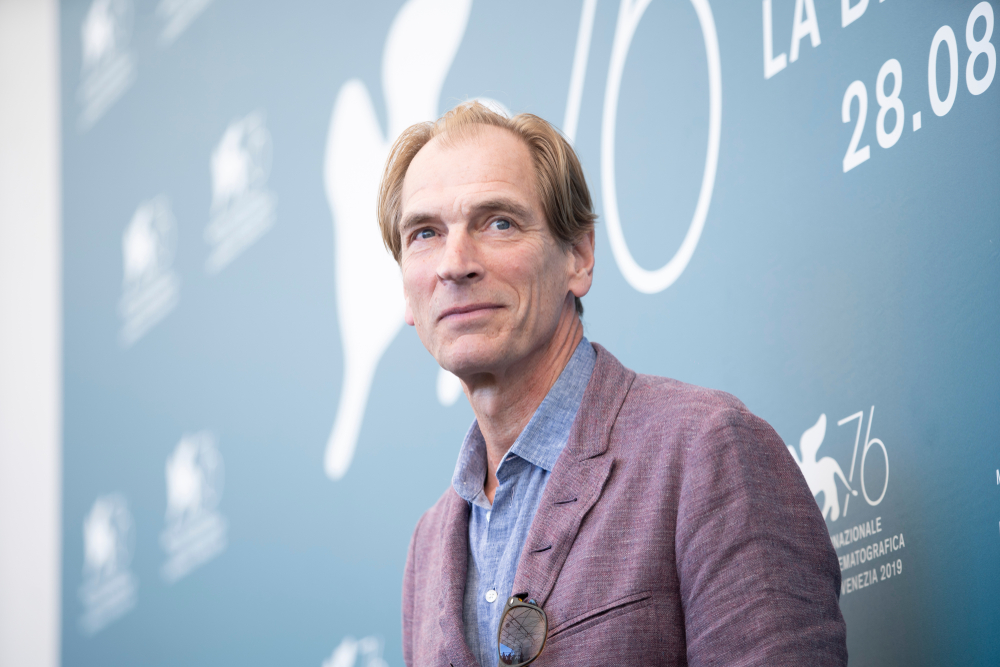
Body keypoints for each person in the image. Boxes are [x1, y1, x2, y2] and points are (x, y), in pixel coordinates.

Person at [383, 102, 847, 666]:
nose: (455, 264)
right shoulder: (427, 547)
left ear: (578, 256)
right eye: (425, 233)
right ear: (408, 292)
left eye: (498, 222)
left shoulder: (706, 449)